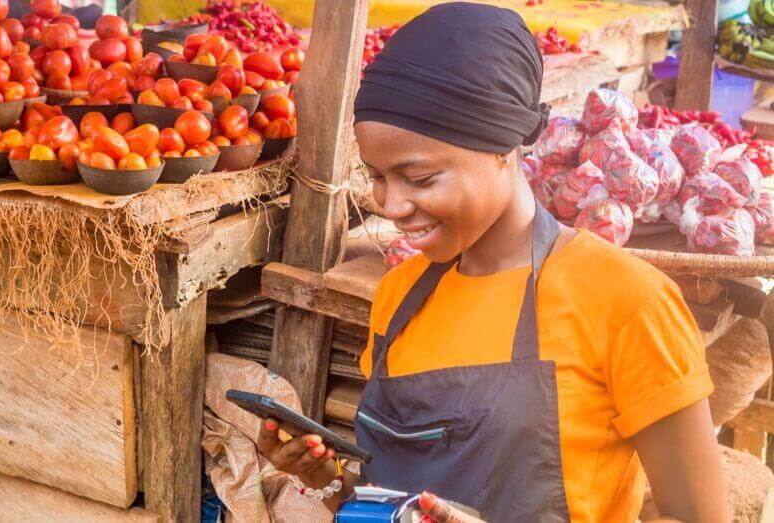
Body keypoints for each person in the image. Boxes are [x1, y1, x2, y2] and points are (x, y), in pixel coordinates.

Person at [258, 3, 730, 521]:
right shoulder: (398, 297)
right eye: (377, 176)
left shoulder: (627, 302)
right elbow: (387, 501)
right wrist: (322, 479)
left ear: (505, 148)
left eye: (418, 178)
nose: (391, 207)